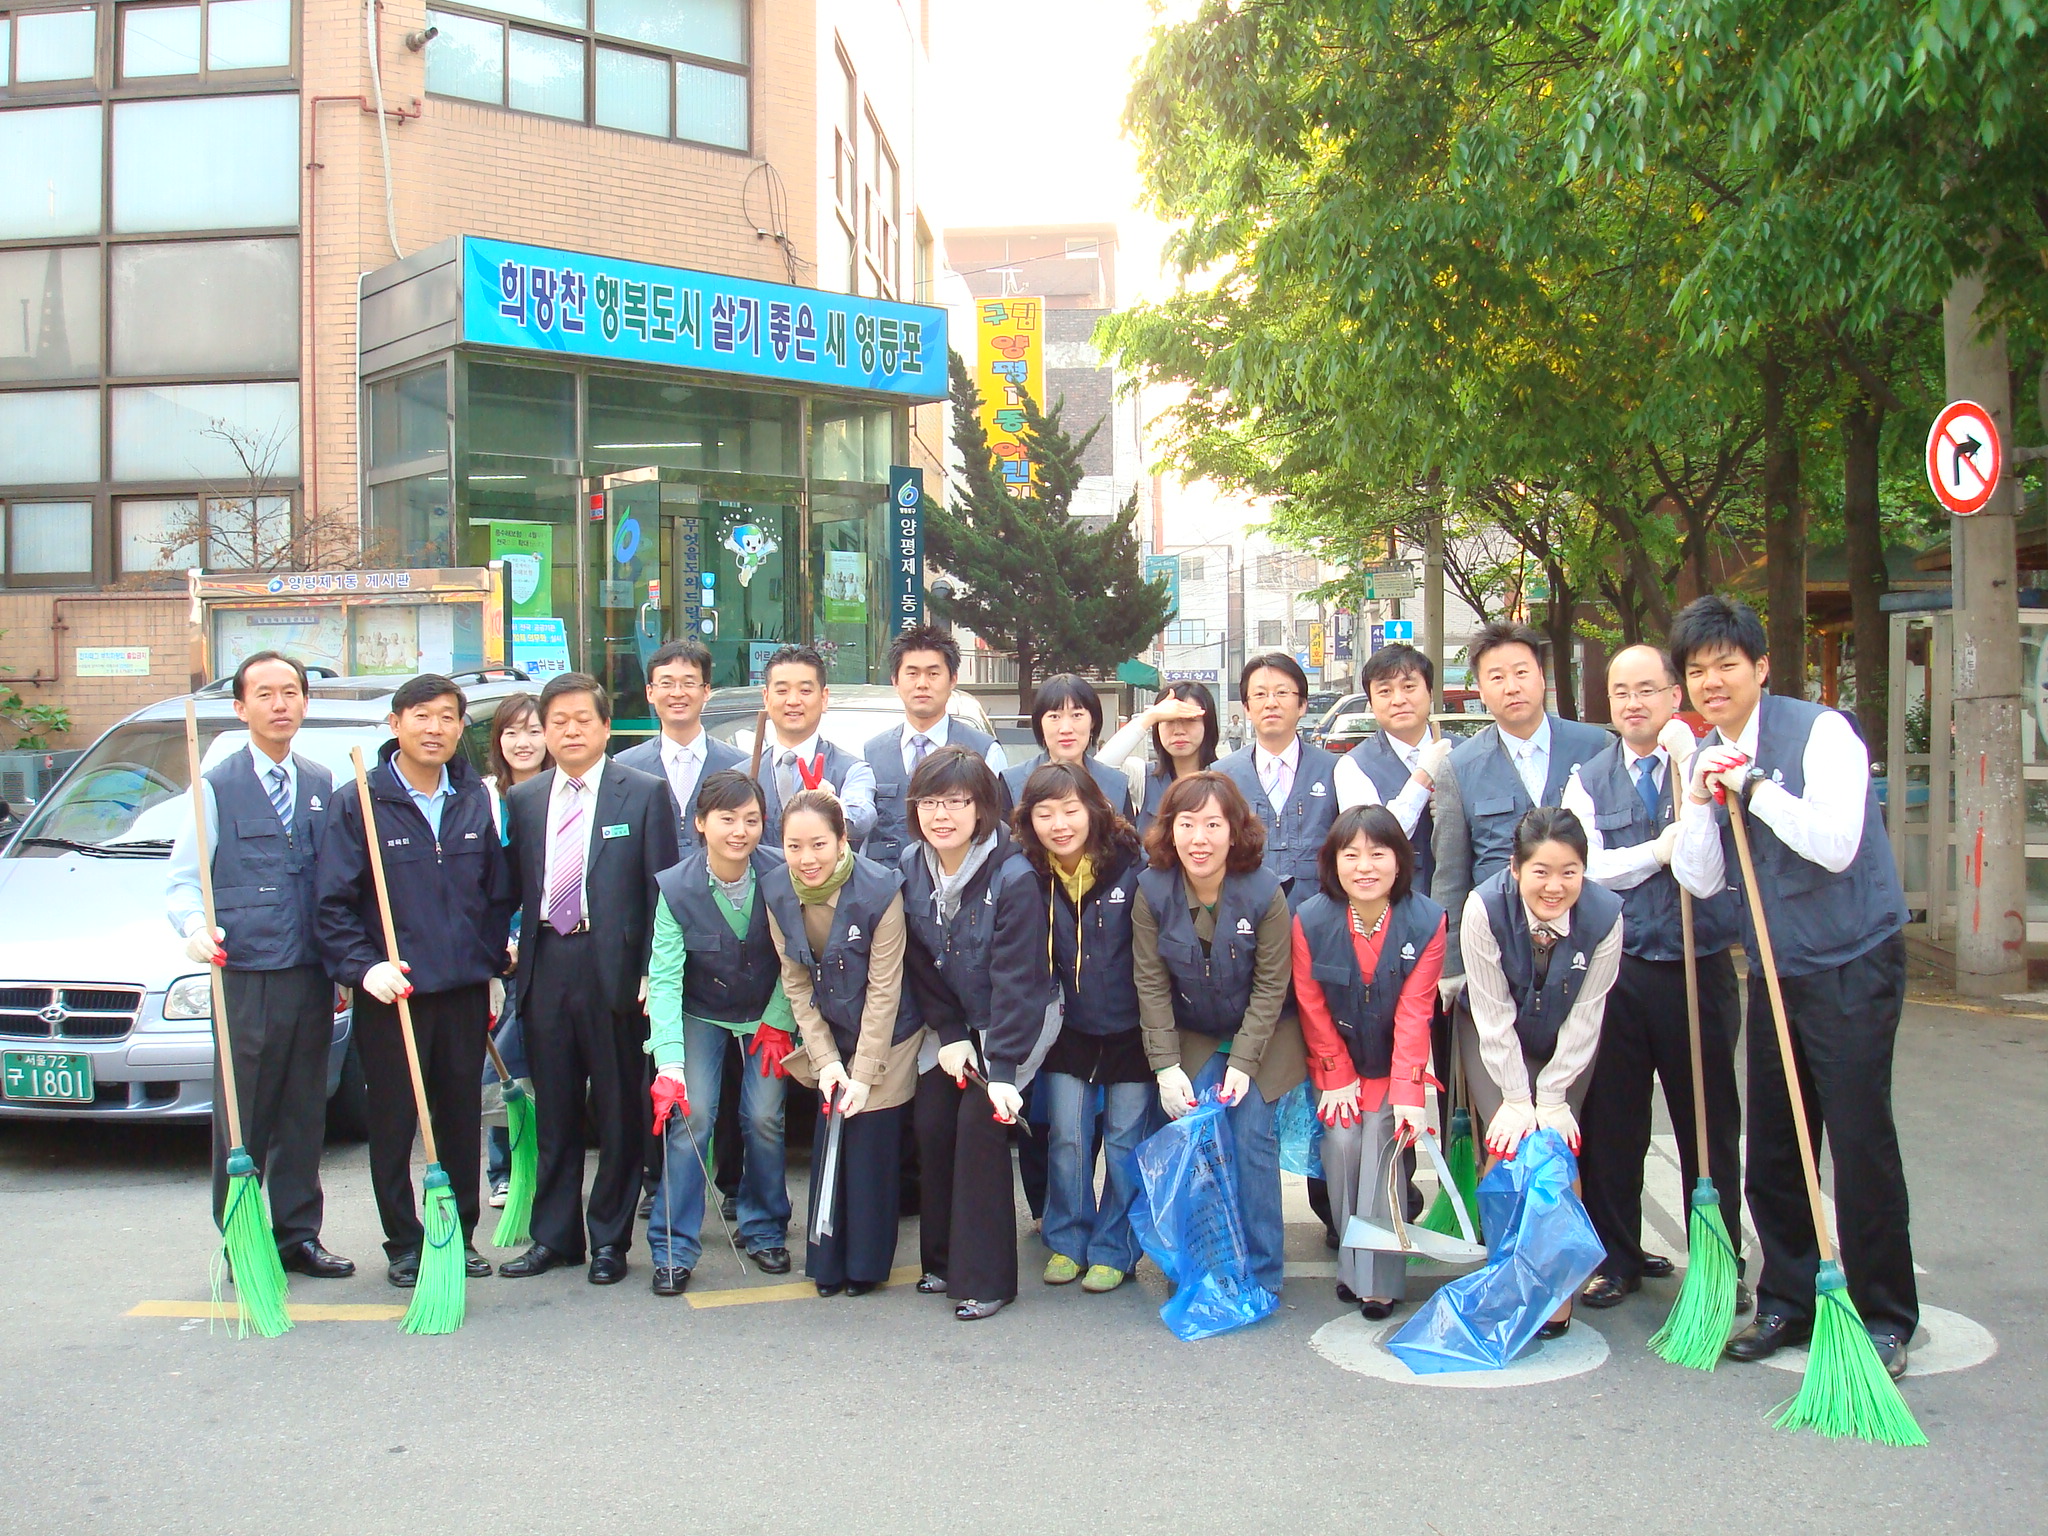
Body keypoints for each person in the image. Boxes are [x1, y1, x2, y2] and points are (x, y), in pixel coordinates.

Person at [1669, 595, 1916, 1378]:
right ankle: (1788, 1298)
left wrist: (1752, 788)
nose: (1713, 683)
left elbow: (1837, 845)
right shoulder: (1707, 755)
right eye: (1698, 672)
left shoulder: (1823, 734)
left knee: (1857, 1133)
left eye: (1727, 666)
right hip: (1776, 966)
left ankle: (1882, 1312)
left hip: (1852, 959)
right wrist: (1704, 801)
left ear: (1762, 667)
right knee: (1776, 1143)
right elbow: (1701, 878)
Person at [1560, 644, 1749, 1312]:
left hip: (1698, 967)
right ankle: (1617, 1257)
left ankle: (1719, 1261)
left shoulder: (1704, 765)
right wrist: (1654, 853)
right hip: (1617, 968)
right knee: (1613, 1122)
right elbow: (1583, 867)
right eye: (1621, 692)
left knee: (1708, 1120)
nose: (1633, 703)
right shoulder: (1588, 776)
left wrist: (1682, 801)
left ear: (1676, 697)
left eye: (1648, 689)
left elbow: (1714, 865)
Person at [316, 673, 514, 1287]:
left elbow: (494, 890)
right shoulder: (360, 801)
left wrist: (490, 952)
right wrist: (364, 967)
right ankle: (404, 1241)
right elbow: (333, 904)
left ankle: (458, 1232)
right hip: (392, 992)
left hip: (460, 989)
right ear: (395, 723)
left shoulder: (473, 797)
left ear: (461, 727)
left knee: (458, 1118)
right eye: (422, 716)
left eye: (448, 717)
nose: (436, 729)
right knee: (397, 1121)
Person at [167, 651, 353, 1281]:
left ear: (305, 702)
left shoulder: (322, 782)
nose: (280, 705)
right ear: (241, 707)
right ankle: (241, 1236)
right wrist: (196, 929)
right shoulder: (214, 787)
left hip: (309, 973)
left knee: (305, 1111)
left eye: (291, 692)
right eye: (266, 694)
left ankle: (298, 1234)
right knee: (245, 1113)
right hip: (245, 975)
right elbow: (182, 884)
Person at [497, 673, 679, 1285]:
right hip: (545, 963)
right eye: (558, 722)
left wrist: (656, 971)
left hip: (616, 972)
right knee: (554, 1110)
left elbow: (664, 890)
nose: (570, 731)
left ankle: (609, 1239)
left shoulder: (645, 792)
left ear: (606, 726)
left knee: (620, 1109)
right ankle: (554, 1237)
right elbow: (507, 888)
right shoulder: (524, 801)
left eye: (583, 719)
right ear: (544, 732)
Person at [1456, 806, 1624, 1338]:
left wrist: (1550, 1096)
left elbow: (1589, 1012)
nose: (1555, 886)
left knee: (1555, 1148)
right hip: (1493, 1040)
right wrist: (1514, 1094)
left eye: (1569, 872)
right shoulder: (1483, 908)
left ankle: (1555, 1291)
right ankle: (1505, 1275)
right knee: (1506, 1144)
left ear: (1584, 871)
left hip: (1566, 1045)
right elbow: (1490, 1009)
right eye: (1541, 872)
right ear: (1515, 868)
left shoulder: (1606, 916)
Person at [1133, 771, 1301, 1297]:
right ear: (1170, 829)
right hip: (1193, 1032)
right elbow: (1150, 983)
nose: (1199, 838)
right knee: (1186, 1130)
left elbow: (1273, 986)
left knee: (1250, 1135)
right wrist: (1164, 1066)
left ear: (1234, 831)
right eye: (1187, 824)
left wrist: (1245, 1064)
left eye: (1212, 824)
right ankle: (1194, 1265)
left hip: (1262, 1034)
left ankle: (1262, 1271)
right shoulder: (1151, 891)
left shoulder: (1265, 891)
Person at [900, 747, 1051, 1320]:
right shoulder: (913, 865)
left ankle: (987, 1280)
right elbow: (919, 959)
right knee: (933, 1121)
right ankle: (940, 1260)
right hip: (956, 1024)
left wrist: (1003, 1071)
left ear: (983, 807)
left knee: (981, 1127)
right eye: (931, 802)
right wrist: (950, 1030)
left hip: (1016, 1024)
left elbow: (1020, 980)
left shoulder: (1012, 875)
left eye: (957, 802)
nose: (943, 815)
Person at [642, 769, 797, 1295]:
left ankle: (764, 1225)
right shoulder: (675, 887)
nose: (740, 831)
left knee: (763, 1117)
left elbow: (795, 958)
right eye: (727, 819)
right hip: (701, 1011)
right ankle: (673, 1246)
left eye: (752, 820)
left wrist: (779, 1021)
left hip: (769, 1013)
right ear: (701, 823)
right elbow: (663, 979)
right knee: (694, 1115)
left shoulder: (782, 873)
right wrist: (668, 1062)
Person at [1292, 806, 1447, 1319]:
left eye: (1378, 853)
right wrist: (1334, 1075)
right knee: (1342, 1142)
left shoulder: (1427, 919)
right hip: (1336, 1068)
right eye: (1350, 854)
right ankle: (1352, 1266)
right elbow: (1310, 1004)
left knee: (1381, 1141)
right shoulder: (1310, 919)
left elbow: (1416, 1012)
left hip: (1392, 1067)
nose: (1365, 866)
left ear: (1399, 862)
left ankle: (1379, 1282)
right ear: (1333, 862)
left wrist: (1409, 1094)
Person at [759, 789, 913, 1296]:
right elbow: (795, 981)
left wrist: (865, 1071)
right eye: (794, 846)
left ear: (844, 840)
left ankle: (865, 1268)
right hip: (830, 1024)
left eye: (820, 844)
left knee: (867, 1132)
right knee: (831, 1127)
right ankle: (827, 1264)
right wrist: (825, 1060)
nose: (807, 859)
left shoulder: (880, 888)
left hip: (887, 1031)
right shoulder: (776, 890)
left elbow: (886, 988)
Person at [1013, 761, 1153, 1293]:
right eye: (1045, 813)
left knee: (1123, 1143)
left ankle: (1115, 1247)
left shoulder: (1133, 868)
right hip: (1066, 1031)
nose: (1060, 824)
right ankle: (1067, 1239)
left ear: (1095, 810)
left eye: (1071, 810)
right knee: (1068, 1139)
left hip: (1130, 1031)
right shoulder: (1028, 871)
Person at [1433, 622, 1611, 1002]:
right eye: (1496, 677)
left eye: (1521, 672)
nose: (1511, 686)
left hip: (1588, 944)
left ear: (1542, 677)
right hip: (1499, 949)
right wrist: (1451, 967)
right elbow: (1450, 873)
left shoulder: (1597, 749)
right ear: (1480, 690)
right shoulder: (1460, 767)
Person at [1333, 642, 1458, 1144]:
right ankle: (1393, 1193)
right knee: (1389, 1062)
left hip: (1452, 923)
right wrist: (1425, 774)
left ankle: (1458, 1185)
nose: (1398, 699)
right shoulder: (1354, 765)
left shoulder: (1462, 756)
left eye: (1410, 687)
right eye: (1385, 690)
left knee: (1454, 1066)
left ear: (1430, 692)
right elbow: (1379, 838)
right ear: (1370, 701)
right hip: (1384, 931)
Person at [862, 624, 1008, 869]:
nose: (922, 684)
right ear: (895, 681)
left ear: (952, 680)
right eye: (912, 673)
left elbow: (999, 829)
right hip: (888, 893)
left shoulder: (984, 751)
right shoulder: (871, 753)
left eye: (933, 673)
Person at [481, 691, 551, 1206]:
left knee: (547, 1060)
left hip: (557, 945)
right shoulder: (485, 799)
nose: (523, 742)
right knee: (504, 1060)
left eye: (533, 730)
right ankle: (504, 1167)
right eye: (511, 732)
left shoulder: (569, 792)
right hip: (505, 951)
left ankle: (543, 1160)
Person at [1212, 653, 1341, 911]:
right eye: (1260, 695)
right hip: (1244, 918)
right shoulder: (1222, 775)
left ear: (1302, 705)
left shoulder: (1335, 770)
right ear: (1247, 708)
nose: (1271, 703)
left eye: (1282, 693)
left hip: (1320, 919)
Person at [614, 639, 744, 852]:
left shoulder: (740, 766)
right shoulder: (624, 769)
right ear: (650, 692)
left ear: (706, 691)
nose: (677, 693)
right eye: (666, 683)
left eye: (689, 683)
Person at [753, 643, 877, 848]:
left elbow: (862, 818)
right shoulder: (746, 774)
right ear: (766, 698)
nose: (793, 700)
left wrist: (830, 805)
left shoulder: (853, 771)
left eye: (805, 690)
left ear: (824, 697)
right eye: (782, 690)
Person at [1001, 674, 1135, 818]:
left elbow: (1128, 839)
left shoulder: (1116, 785)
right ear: (1039, 723)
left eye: (1077, 715)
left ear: (1093, 721)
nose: (1066, 729)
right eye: (1054, 717)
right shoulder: (1013, 783)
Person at [1095, 680, 1219, 832]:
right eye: (1168, 721)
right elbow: (1100, 768)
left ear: (1208, 725)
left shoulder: (1227, 778)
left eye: (1190, 720)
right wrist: (1150, 716)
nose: (1179, 730)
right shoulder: (1143, 777)